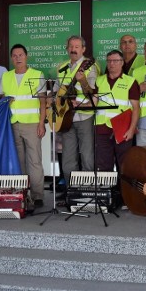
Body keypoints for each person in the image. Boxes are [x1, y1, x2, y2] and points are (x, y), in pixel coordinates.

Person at [0, 44, 46, 212]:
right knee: (18, 161)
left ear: (26, 56)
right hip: (13, 124)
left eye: (21, 55)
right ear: (12, 58)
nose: (18, 58)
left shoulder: (37, 75)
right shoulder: (6, 76)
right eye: (15, 55)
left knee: (34, 160)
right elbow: (2, 99)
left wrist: (42, 123)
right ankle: (23, 194)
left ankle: (38, 195)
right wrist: (5, 101)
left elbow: (43, 101)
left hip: (32, 124)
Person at [57, 35, 99, 183]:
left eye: (76, 47)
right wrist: (53, 100)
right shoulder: (62, 67)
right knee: (68, 157)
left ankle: (87, 190)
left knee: (87, 156)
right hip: (66, 118)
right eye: (71, 46)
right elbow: (58, 91)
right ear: (67, 48)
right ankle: (71, 191)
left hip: (85, 116)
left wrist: (83, 81)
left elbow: (92, 93)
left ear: (83, 49)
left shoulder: (90, 67)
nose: (73, 49)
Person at [95, 50, 140, 172]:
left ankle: (123, 191)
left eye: (115, 61)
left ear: (122, 63)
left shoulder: (130, 81)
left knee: (124, 164)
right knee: (103, 165)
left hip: (122, 130)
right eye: (109, 61)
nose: (112, 64)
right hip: (102, 129)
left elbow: (136, 108)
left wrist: (131, 130)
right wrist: (80, 104)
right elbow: (94, 102)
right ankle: (107, 191)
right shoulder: (99, 80)